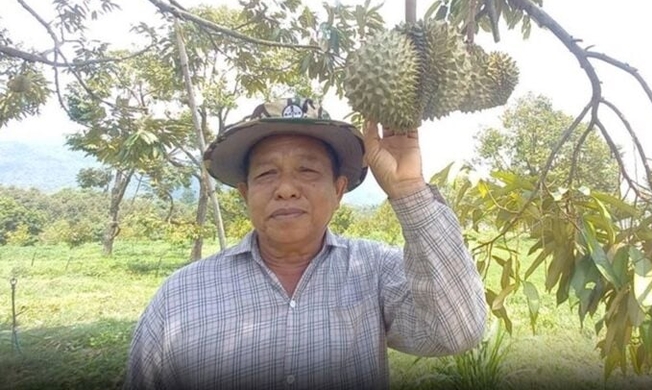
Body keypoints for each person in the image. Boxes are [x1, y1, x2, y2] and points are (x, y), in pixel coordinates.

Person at [124, 97, 487, 390]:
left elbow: (457, 332)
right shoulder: (180, 296)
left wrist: (409, 191)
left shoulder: (374, 270)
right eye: (267, 173)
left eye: (308, 171)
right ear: (245, 194)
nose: (286, 189)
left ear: (339, 190)